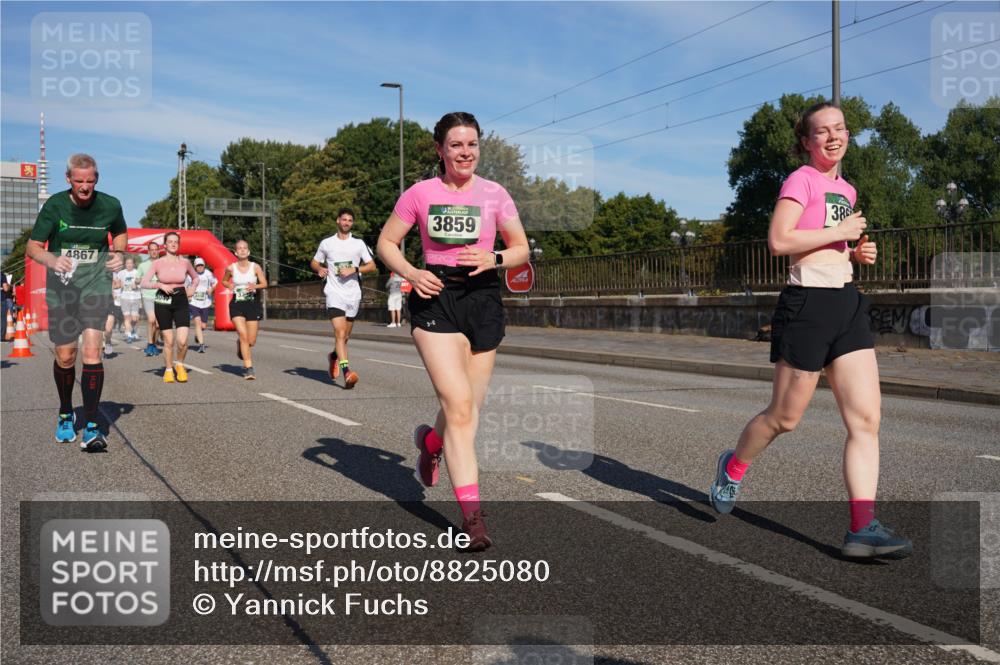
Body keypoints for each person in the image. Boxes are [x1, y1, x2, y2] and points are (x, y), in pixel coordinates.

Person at [708, 101, 911, 559]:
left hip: (847, 303)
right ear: (807, 141)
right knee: (785, 419)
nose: (833, 137)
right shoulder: (800, 179)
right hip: (807, 305)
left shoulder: (847, 189)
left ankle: (862, 528)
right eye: (823, 131)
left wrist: (853, 253)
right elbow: (780, 241)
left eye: (840, 129)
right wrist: (839, 231)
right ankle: (733, 466)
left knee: (866, 420)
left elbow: (824, 242)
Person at [377, 112, 529, 550]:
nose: (465, 153)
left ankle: (431, 442)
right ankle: (473, 520)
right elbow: (386, 242)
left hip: (482, 297)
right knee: (460, 407)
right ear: (440, 150)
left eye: (472, 144)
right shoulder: (420, 193)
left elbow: (520, 248)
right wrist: (412, 272)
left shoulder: (495, 193)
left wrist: (493, 258)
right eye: (456, 145)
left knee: (468, 410)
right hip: (436, 296)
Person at [25, 153, 127, 451]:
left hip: (96, 285)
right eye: (79, 181)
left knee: (93, 351)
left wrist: (119, 253)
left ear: (97, 179)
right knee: (66, 355)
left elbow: (120, 233)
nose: (84, 187)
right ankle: (66, 412)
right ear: (68, 178)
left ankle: (93, 426)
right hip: (64, 289)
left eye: (90, 181)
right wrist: (52, 260)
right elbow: (33, 247)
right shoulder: (55, 205)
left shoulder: (110, 205)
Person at [310, 208, 377, 388]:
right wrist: (319, 268)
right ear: (338, 221)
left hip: (353, 294)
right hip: (334, 292)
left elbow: (372, 266)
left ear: (352, 223)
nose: (346, 222)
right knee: (339, 333)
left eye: (350, 220)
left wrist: (354, 269)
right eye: (344, 219)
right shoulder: (327, 243)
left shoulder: (358, 243)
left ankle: (334, 356)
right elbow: (314, 262)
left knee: (345, 336)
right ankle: (347, 372)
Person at [140, 232, 199, 383]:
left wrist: (192, 287)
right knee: (169, 340)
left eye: (176, 242)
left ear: (178, 245)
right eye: (170, 241)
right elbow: (144, 282)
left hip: (180, 300)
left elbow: (195, 277)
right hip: (163, 301)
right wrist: (160, 285)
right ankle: (168, 369)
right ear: (165, 245)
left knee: (182, 341)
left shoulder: (185, 262)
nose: (173, 244)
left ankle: (179, 364)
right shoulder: (157, 263)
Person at [222, 239, 267, 380]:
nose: (242, 250)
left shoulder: (255, 267)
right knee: (243, 335)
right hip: (237, 304)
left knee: (251, 341)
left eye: (245, 248)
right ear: (235, 252)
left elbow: (264, 283)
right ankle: (249, 368)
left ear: (248, 251)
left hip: (252, 304)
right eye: (239, 248)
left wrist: (255, 286)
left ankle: (240, 344)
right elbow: (224, 280)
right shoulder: (231, 268)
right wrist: (229, 285)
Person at [136, 241, 162, 356]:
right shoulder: (142, 265)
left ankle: (154, 343)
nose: (154, 252)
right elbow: (137, 280)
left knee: (159, 324)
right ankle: (150, 344)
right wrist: (141, 279)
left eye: (156, 249)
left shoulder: (164, 264)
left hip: (161, 296)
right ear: (148, 252)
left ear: (158, 251)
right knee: (151, 320)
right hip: (148, 295)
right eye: (152, 250)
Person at [186, 257, 217, 353]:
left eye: (201, 265)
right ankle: (201, 345)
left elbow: (215, 282)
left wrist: (211, 289)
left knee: (203, 326)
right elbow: (186, 286)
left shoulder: (208, 273)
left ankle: (197, 335)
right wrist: (188, 295)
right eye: (198, 266)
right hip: (194, 302)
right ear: (195, 267)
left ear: (204, 266)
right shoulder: (190, 275)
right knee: (197, 322)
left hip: (205, 302)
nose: (200, 267)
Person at [117, 256, 142, 342]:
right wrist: (120, 286)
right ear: (125, 264)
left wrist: (137, 286)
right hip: (125, 298)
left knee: (134, 319)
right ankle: (129, 335)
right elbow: (117, 284)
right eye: (127, 263)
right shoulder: (121, 273)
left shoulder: (137, 272)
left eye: (131, 263)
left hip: (136, 297)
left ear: (134, 264)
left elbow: (141, 283)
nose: (129, 265)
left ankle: (133, 330)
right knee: (127, 318)